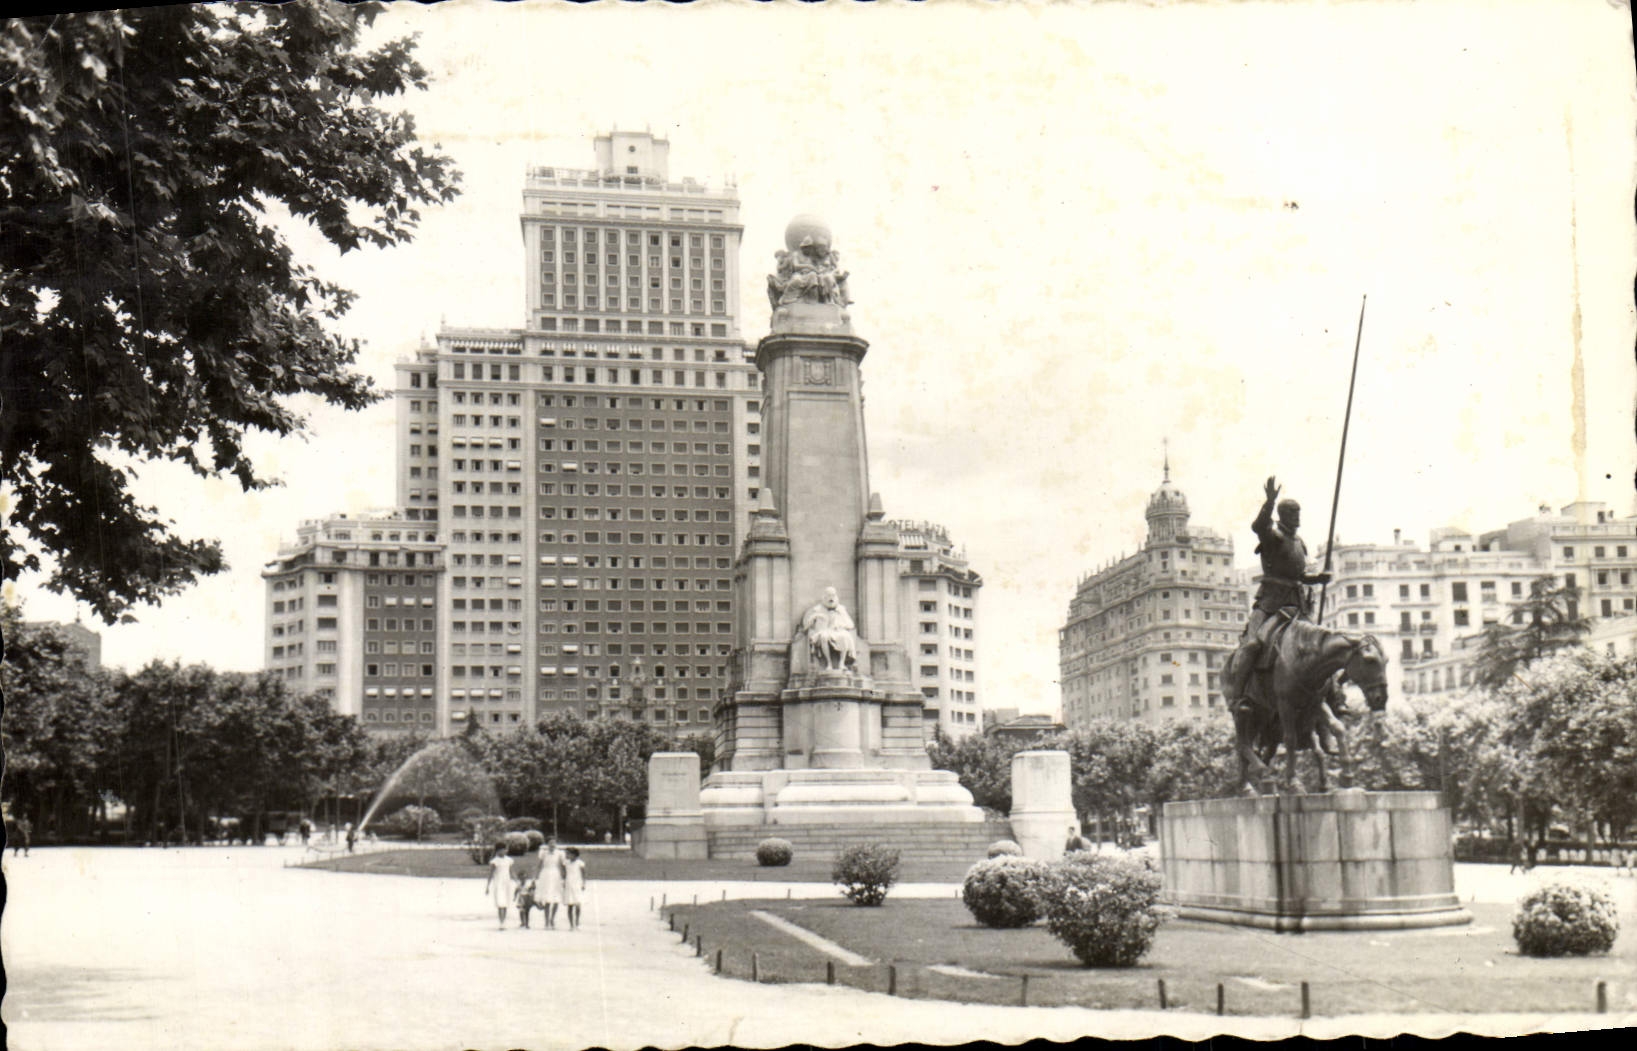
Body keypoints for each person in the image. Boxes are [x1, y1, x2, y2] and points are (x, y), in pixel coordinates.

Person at [1226, 476, 1333, 707]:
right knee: (1253, 645)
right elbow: (1259, 526)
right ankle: (1239, 696)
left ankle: (1333, 697)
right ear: (1283, 516)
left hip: (1297, 604)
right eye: (1293, 513)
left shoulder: (1299, 542)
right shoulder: (1273, 536)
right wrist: (1269, 503)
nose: (1297, 517)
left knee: (1321, 644)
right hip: (1270, 604)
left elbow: (1299, 575)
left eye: (1298, 513)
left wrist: (1317, 579)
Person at [511, 844, 543, 929]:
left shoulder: (529, 883)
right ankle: (522, 922)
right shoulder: (518, 884)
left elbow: (533, 889)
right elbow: (516, 890)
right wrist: (514, 897)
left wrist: (533, 886)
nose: (523, 879)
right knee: (522, 911)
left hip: (528, 898)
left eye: (524, 877)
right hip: (521, 898)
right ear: (519, 878)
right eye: (521, 878)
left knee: (527, 911)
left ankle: (527, 923)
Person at [536, 836, 565, 929]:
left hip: (555, 876)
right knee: (547, 900)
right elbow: (539, 866)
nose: (552, 845)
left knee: (556, 899)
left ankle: (552, 919)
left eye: (554, 843)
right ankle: (546, 921)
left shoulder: (560, 853)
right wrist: (536, 876)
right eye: (550, 843)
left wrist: (564, 877)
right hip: (545, 875)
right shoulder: (543, 853)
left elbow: (562, 866)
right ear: (547, 844)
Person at [484, 845, 515, 930]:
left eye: (505, 850)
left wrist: (517, 882)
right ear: (497, 851)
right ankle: (501, 922)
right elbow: (490, 874)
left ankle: (504, 922)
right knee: (500, 903)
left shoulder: (509, 860)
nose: (504, 851)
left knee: (505, 903)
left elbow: (512, 872)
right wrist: (487, 886)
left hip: (506, 883)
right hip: (498, 883)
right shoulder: (495, 861)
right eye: (501, 850)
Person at [561, 847, 587, 931]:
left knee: (578, 904)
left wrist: (583, 884)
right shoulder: (566, 863)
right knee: (570, 905)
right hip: (569, 884)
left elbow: (583, 875)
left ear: (574, 854)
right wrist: (563, 882)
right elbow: (564, 874)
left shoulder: (580, 863)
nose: (567, 855)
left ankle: (577, 923)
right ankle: (571, 925)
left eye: (568, 854)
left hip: (577, 884)